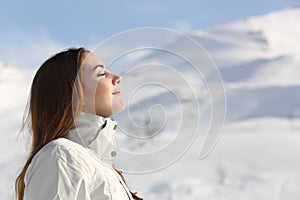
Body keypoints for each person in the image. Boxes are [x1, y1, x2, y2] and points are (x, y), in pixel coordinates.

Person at [15, 47, 143, 200]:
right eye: (101, 74)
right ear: (73, 95)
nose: (117, 77)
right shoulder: (61, 156)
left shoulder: (99, 166)